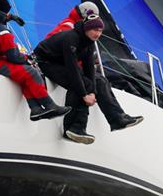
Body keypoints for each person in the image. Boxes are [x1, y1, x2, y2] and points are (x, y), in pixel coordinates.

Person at [34, 16, 143, 144]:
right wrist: (84, 94)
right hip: (46, 62)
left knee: (100, 80)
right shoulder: (72, 38)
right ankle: (74, 127)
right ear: (87, 29)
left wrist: (92, 92)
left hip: (62, 62)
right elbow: (73, 70)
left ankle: (117, 118)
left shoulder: (89, 42)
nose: (98, 34)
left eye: (100, 31)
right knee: (80, 84)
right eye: (95, 30)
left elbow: (89, 68)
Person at [0, 0, 70, 121]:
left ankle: (35, 109)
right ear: (4, 12)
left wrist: (10, 18)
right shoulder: (3, 33)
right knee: (30, 72)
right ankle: (49, 105)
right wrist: (26, 58)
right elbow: (13, 56)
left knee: (24, 74)